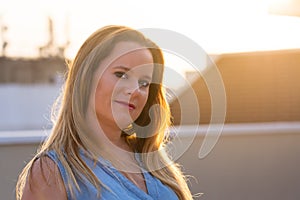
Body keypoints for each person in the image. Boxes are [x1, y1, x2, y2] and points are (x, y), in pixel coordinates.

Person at [16, 25, 193, 200]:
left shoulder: (155, 163)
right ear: (86, 77)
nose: (134, 90)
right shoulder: (52, 171)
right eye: (121, 74)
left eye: (144, 83)